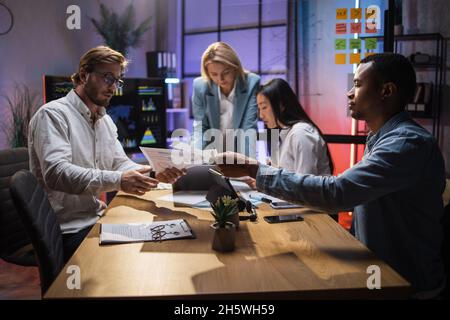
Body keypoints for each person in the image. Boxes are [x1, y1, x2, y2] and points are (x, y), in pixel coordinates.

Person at [214, 53, 446, 298]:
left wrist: (254, 169)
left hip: (405, 284)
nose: (349, 93)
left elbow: (338, 193)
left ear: (386, 91)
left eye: (357, 84)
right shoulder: (381, 138)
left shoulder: (405, 143)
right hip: (377, 271)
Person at [28, 46, 182, 261]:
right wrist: (120, 180)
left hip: (95, 218)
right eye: (107, 78)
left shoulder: (105, 120)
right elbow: (57, 174)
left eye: (117, 81)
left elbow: (119, 163)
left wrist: (153, 174)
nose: (113, 87)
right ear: (84, 75)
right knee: (139, 259)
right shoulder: (53, 115)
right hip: (67, 230)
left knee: (162, 241)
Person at [191, 41, 260, 155]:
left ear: (235, 67)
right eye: (214, 74)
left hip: (240, 153)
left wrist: (248, 163)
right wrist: (195, 156)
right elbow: (200, 127)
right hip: (211, 153)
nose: (220, 79)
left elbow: (249, 128)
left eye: (226, 72)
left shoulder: (251, 82)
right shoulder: (200, 86)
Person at [257, 78, 333, 176]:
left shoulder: (301, 134)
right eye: (259, 109)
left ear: (281, 105)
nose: (261, 115)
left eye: (264, 107)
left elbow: (305, 185)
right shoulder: (283, 134)